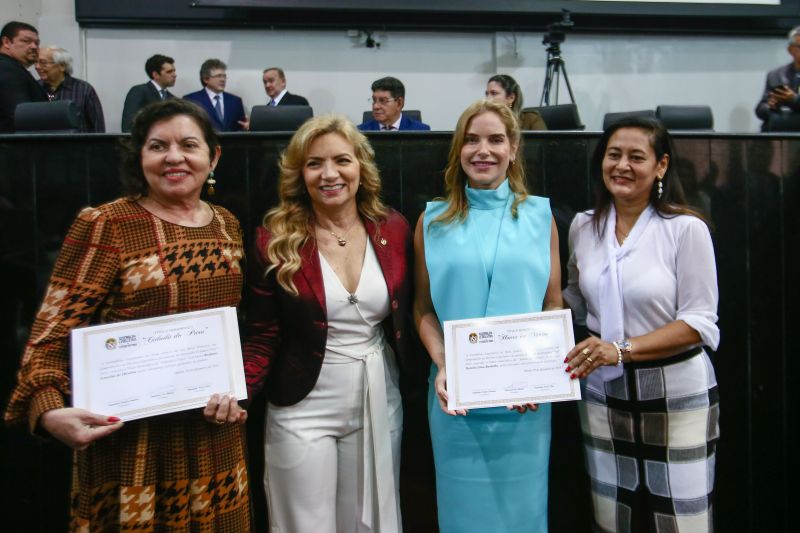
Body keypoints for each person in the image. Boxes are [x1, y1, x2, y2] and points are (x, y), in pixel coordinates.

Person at [4, 99, 252, 531]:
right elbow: (49, 335)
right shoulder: (107, 223)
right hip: (130, 448)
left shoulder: (226, 225)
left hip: (213, 438)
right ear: (140, 157)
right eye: (158, 146)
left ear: (212, 156)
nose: (174, 157)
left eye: (188, 145)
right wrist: (47, 412)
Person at [243, 114, 411, 532]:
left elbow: (414, 311)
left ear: (360, 167)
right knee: (305, 523)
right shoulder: (274, 239)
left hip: (378, 394)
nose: (329, 173)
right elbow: (262, 333)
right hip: (303, 402)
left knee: (366, 519)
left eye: (342, 160)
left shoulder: (393, 227)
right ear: (300, 174)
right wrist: (236, 391)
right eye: (315, 163)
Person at [563, 116, 719, 532]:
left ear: (661, 166)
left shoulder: (686, 229)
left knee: (682, 518)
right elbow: (574, 298)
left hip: (676, 391)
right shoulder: (583, 226)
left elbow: (699, 322)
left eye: (637, 156)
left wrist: (620, 349)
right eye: (614, 155)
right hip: (603, 392)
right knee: (611, 514)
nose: (622, 166)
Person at [413, 99, 562, 532]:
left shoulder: (540, 215)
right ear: (458, 150)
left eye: (496, 139)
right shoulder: (432, 220)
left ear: (513, 149)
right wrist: (443, 365)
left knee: (524, 516)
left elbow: (553, 304)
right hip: (454, 400)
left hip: (525, 405)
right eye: (472, 139)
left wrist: (536, 371)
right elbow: (423, 309)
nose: (484, 150)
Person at [36, 46, 106, 132]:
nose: (37, 67)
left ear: (62, 66)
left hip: (77, 144)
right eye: (36, 62)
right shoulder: (35, 87)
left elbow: (97, 126)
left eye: (43, 63)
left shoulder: (84, 90)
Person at [0, 20, 48, 133]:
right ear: (6, 42)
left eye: (37, 43)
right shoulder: (6, 68)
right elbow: (20, 114)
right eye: (26, 41)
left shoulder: (12, 67)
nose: (34, 46)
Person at [184, 58, 248, 131]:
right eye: (218, 76)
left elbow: (241, 128)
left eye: (224, 76)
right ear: (205, 79)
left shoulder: (235, 101)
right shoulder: (191, 100)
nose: (223, 79)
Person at [755, 26, 800, 131]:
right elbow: (760, 109)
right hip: (780, 130)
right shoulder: (776, 75)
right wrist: (770, 106)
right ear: (790, 50)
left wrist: (794, 100)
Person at [121, 54, 177, 132]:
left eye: (174, 71)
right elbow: (128, 126)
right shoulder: (139, 91)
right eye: (169, 72)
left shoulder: (173, 99)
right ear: (156, 75)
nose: (174, 75)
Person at [358, 76, 430, 131]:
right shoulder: (360, 132)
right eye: (374, 100)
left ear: (399, 103)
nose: (375, 106)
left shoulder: (420, 130)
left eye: (383, 100)